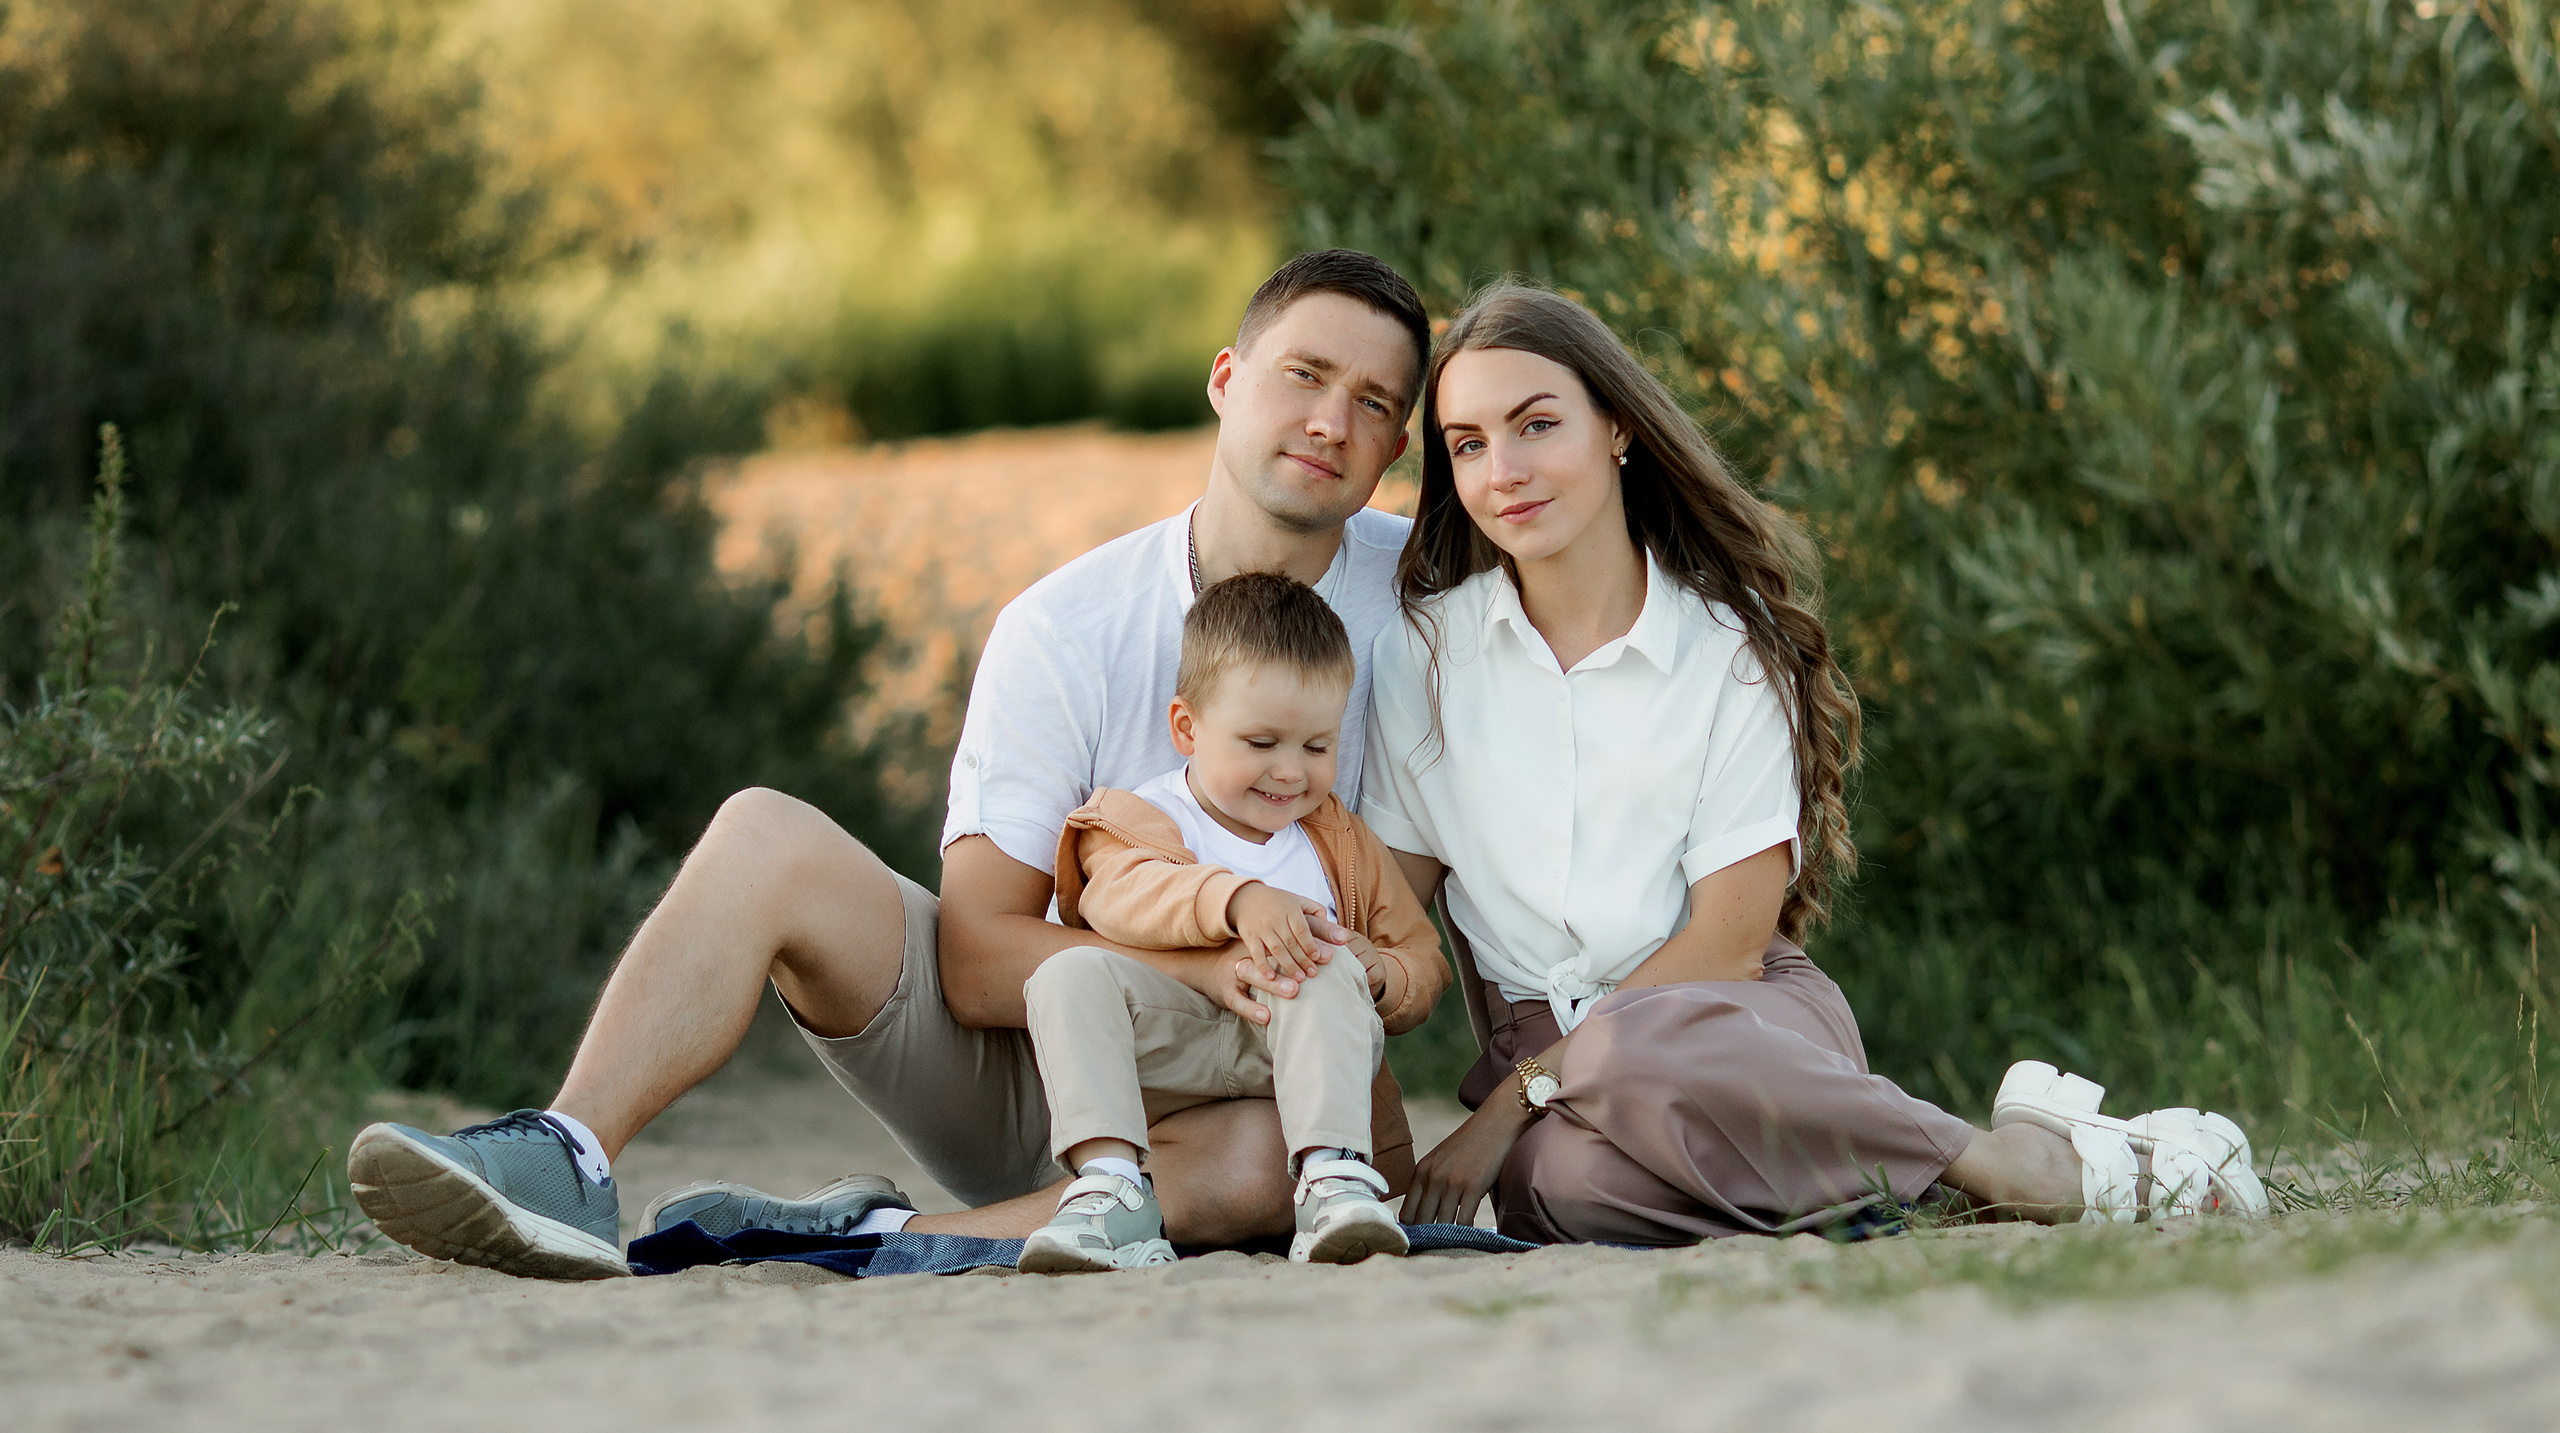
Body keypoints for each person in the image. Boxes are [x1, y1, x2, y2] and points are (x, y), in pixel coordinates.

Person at [347, 250, 1436, 1280]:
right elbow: (973, 960)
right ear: (1225, 379)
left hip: (1266, 1104)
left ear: (1395, 448)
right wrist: (1209, 965)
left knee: (1269, 1164)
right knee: (766, 832)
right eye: (1304, 375)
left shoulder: (1431, 609)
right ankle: (565, 1155)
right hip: (1046, 1073)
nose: (1330, 421)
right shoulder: (1066, 626)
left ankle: (877, 1237)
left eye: (1375, 403)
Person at [1363, 281, 2268, 1242]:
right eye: (1467, 443)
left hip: (1734, 1025)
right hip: (1560, 1074)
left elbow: (1726, 946)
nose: (1504, 468)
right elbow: (1394, 913)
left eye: (1536, 424)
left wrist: (1510, 1102)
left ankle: (2012, 1161)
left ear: (1618, 427)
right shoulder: (1423, 657)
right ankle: (1927, 1177)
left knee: (1625, 1064)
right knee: (1566, 1188)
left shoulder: (1726, 649)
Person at [1017, 573, 1449, 1273]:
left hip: (1297, 1053)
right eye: (1261, 742)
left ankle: (1332, 1180)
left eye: (1316, 747)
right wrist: (1238, 898)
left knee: (1328, 963)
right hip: (1173, 1044)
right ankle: (1110, 1186)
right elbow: (1117, 896)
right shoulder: (1137, 818)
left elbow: (1423, 956)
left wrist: (1382, 973)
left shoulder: (1338, 839)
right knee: (1065, 972)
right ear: (1187, 727)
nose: (1289, 771)